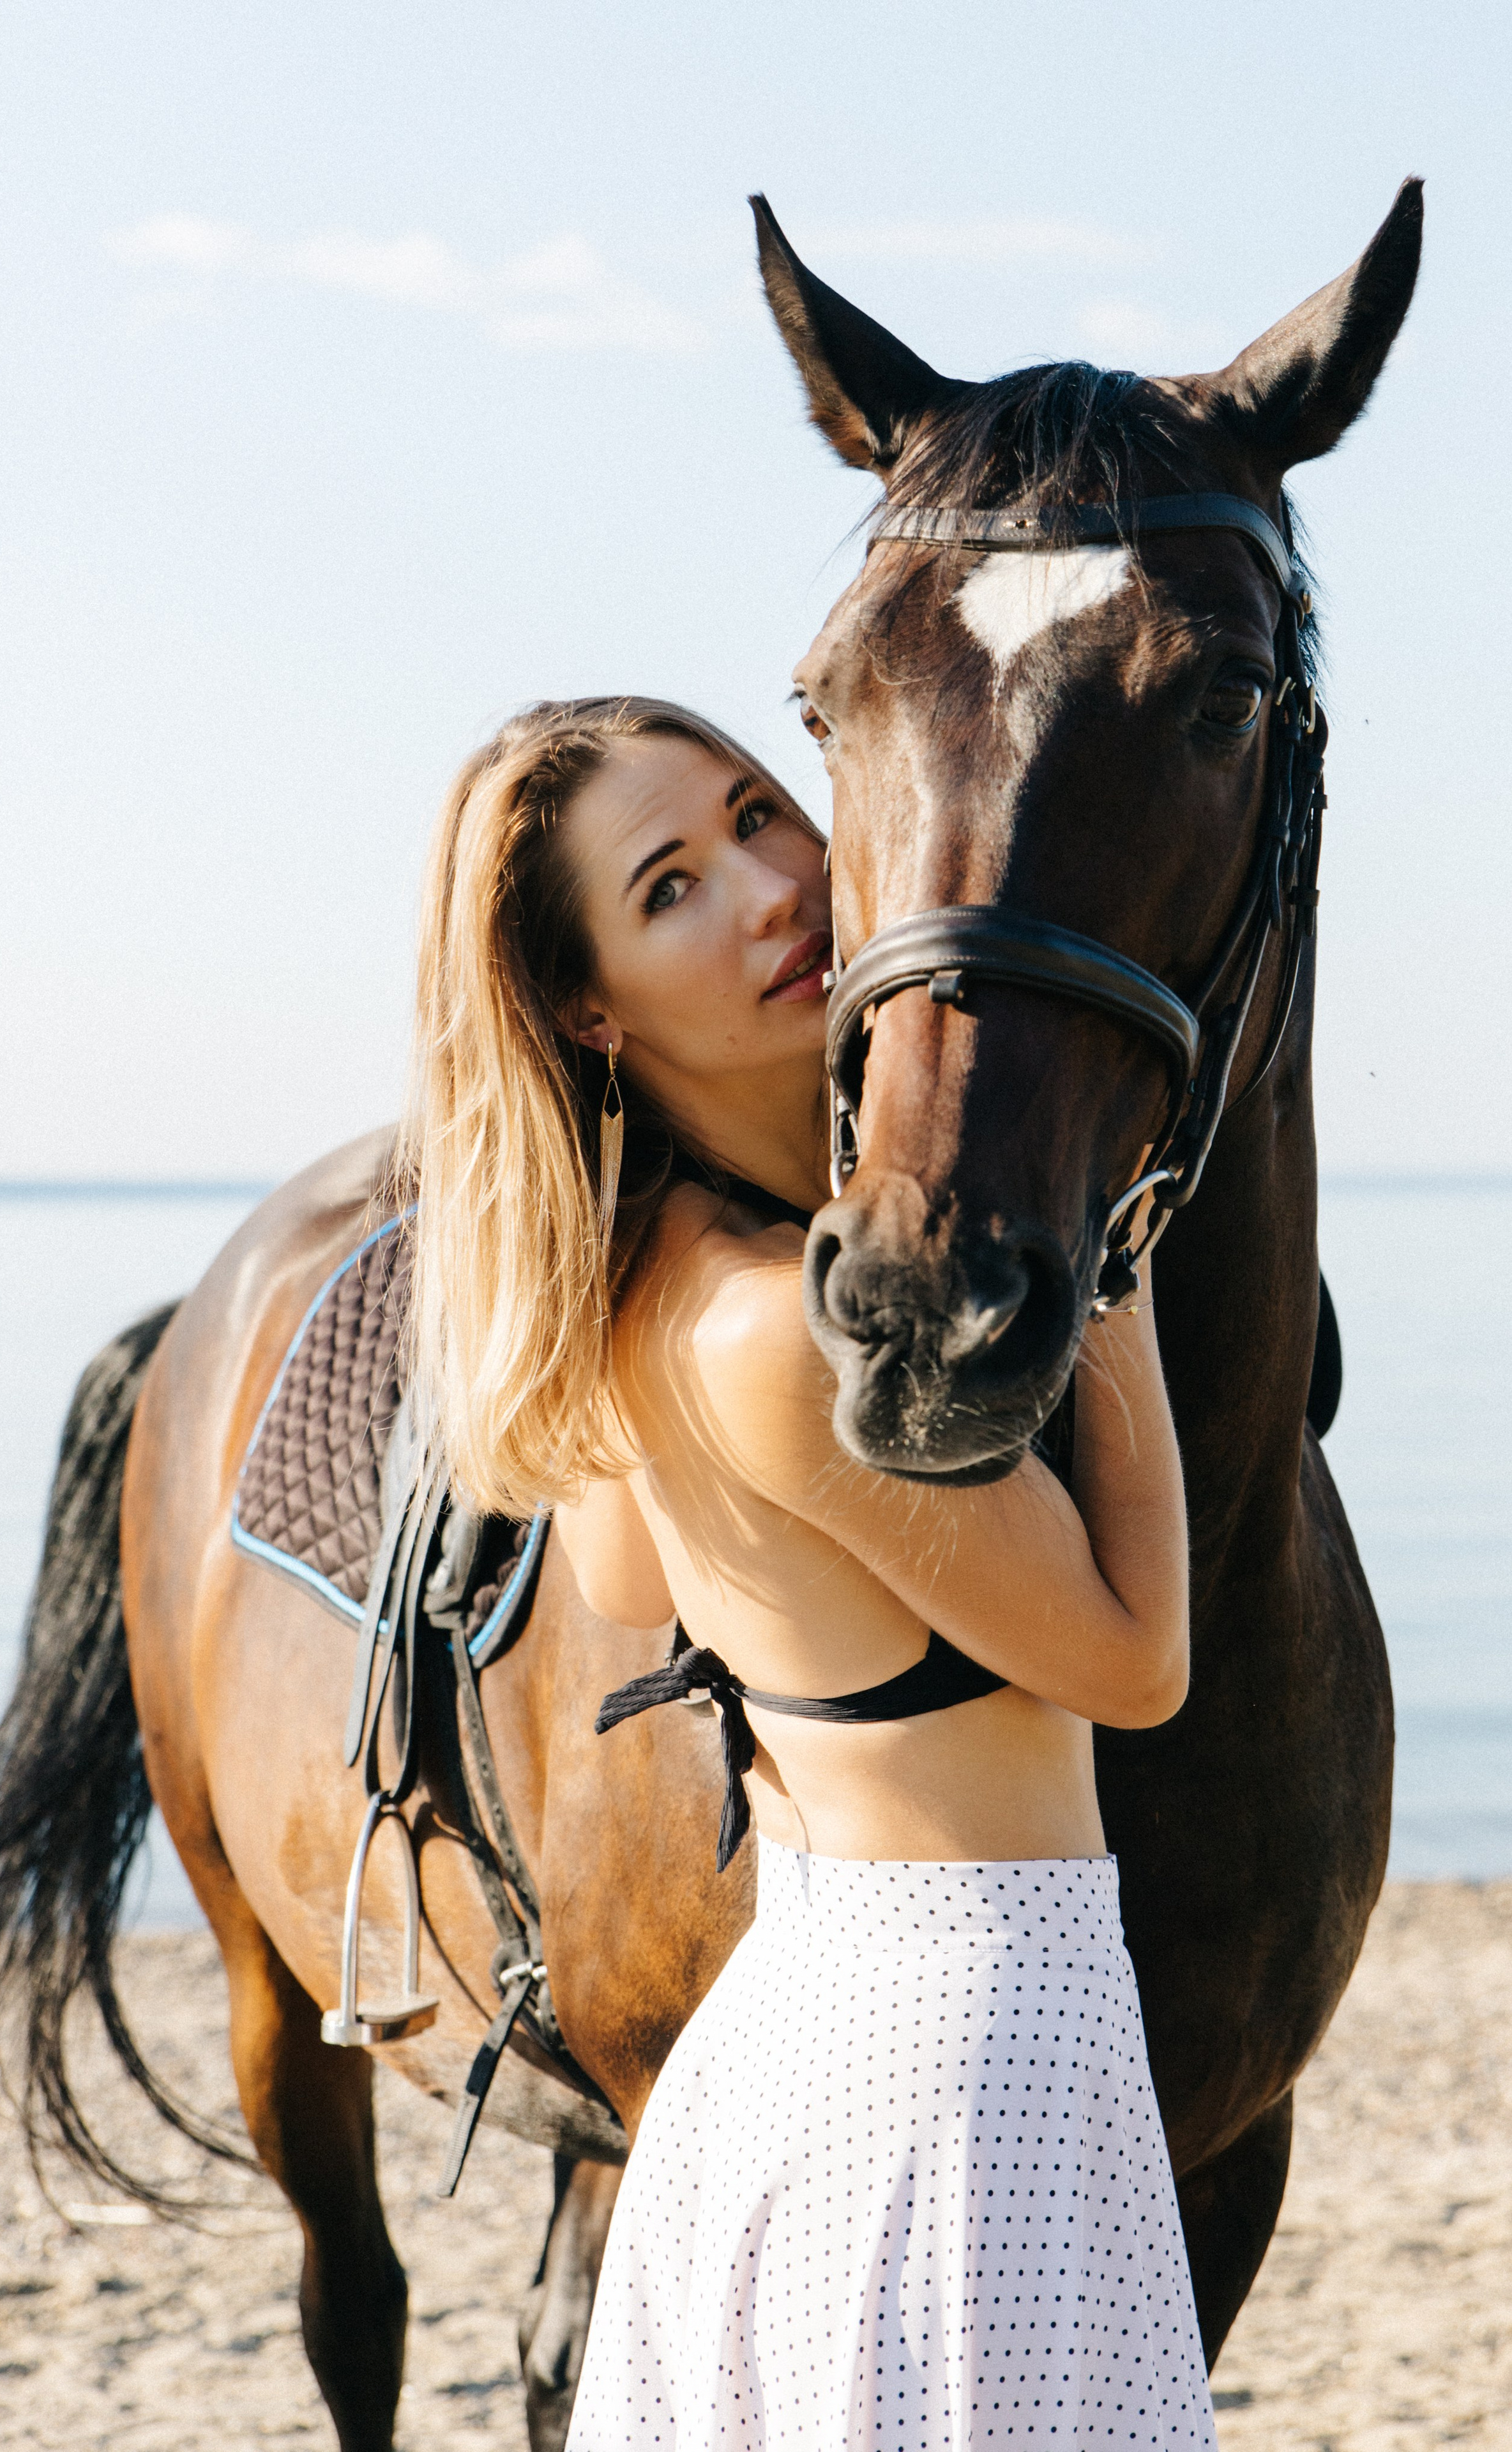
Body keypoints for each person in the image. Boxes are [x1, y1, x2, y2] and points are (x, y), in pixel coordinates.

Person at [400, 695, 1218, 2448]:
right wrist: (1119, 1280)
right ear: (588, 1007)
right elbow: (1137, 1661)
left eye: (766, 816)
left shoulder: (653, 1290)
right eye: (675, 884)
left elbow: (626, 1581)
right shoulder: (778, 1332)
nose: (775, 889)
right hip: (969, 2054)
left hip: (815, 2027)